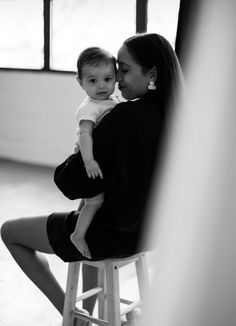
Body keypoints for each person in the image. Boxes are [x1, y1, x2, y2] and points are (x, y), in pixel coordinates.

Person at [1, 33, 183, 325]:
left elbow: (70, 184)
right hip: (148, 231)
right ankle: (90, 314)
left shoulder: (122, 117)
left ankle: (72, 315)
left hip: (112, 234)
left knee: (9, 232)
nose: (117, 80)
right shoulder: (175, 115)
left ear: (152, 73)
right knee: (88, 224)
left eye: (123, 70)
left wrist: (80, 150)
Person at [70, 47, 119, 259]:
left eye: (107, 78)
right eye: (92, 81)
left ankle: (80, 226)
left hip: (100, 163)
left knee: (93, 199)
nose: (101, 85)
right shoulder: (89, 107)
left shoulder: (111, 101)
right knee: (94, 202)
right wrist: (88, 161)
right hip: (90, 163)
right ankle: (78, 235)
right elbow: (85, 135)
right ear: (80, 82)